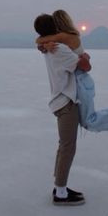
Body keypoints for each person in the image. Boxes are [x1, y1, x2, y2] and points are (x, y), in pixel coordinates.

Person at [36, 9, 108, 132]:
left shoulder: (66, 38)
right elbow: (44, 40)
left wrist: (42, 44)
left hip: (80, 82)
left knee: (90, 121)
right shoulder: (66, 37)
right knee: (89, 121)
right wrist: (43, 46)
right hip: (81, 81)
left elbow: (42, 39)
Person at [34, 14, 90, 206]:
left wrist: (41, 44)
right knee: (68, 147)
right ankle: (60, 193)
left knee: (63, 145)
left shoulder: (49, 48)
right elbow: (85, 66)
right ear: (56, 27)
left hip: (59, 101)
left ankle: (60, 187)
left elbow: (41, 43)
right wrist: (84, 57)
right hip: (66, 102)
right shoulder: (60, 49)